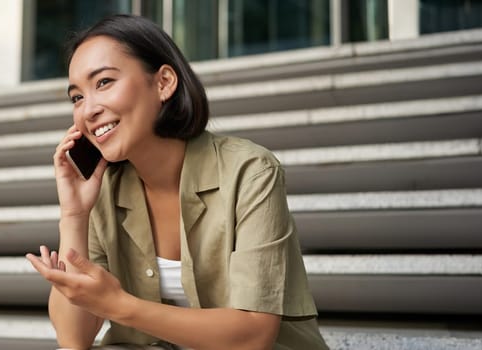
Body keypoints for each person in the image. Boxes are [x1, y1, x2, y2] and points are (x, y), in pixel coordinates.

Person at [26, 14, 329, 350]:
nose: (88, 110)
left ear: (164, 82)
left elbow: (252, 335)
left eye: (104, 82)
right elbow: (73, 340)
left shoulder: (249, 171)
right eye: (76, 97)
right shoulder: (105, 190)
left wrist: (119, 305)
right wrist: (74, 214)